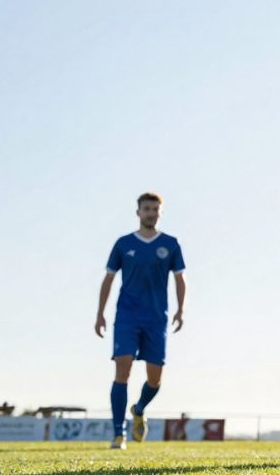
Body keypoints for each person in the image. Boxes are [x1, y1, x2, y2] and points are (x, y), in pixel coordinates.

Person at [94, 192, 185, 449]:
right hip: (127, 316)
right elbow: (108, 278)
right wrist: (100, 313)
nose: (151, 213)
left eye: (155, 209)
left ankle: (139, 409)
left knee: (155, 379)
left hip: (156, 318)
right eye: (147, 209)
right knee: (122, 368)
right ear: (138, 212)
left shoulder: (170, 244)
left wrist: (180, 310)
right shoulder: (123, 244)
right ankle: (118, 434)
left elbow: (180, 278)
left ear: (160, 213)